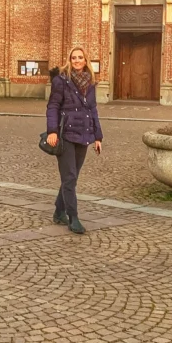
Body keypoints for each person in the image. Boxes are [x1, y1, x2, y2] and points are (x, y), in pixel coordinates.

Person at [46, 46, 102, 234]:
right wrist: (52, 131)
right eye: (73, 57)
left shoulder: (91, 82)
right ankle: (73, 217)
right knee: (69, 177)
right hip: (66, 134)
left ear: (86, 60)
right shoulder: (61, 80)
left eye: (80, 57)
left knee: (72, 176)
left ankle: (58, 210)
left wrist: (98, 136)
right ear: (69, 60)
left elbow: (93, 110)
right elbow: (53, 106)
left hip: (84, 134)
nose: (77, 60)